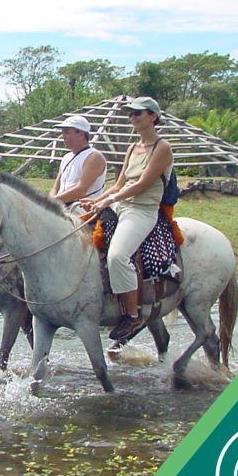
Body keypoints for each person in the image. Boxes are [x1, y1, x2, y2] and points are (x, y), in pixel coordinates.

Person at [80, 97, 173, 341]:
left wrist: (108, 201)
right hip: (121, 204)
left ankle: (132, 315)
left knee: (117, 256)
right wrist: (98, 200)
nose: (132, 117)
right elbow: (119, 183)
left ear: (153, 116)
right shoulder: (132, 148)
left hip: (142, 210)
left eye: (137, 113)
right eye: (130, 113)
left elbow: (142, 184)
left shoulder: (162, 148)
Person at [49, 115, 107, 215]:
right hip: (60, 208)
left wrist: (51, 202)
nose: (63, 136)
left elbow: (80, 191)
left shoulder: (93, 156)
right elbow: (56, 188)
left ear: (80, 133)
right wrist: (48, 202)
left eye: (67, 132)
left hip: (80, 210)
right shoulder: (66, 157)